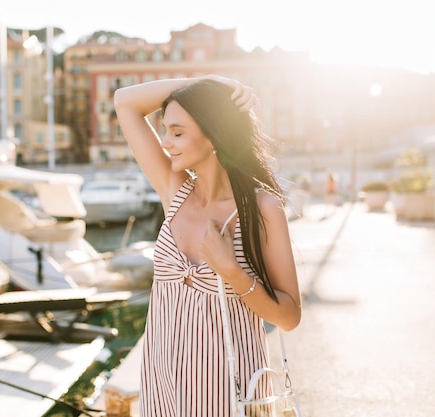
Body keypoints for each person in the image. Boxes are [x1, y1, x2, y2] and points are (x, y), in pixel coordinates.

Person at [113, 75, 302, 416]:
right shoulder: (174, 190)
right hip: (162, 379)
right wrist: (210, 82)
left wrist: (232, 271)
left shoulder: (262, 208)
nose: (166, 142)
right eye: (166, 130)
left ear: (214, 134)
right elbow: (125, 102)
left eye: (178, 132)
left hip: (230, 384)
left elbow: (289, 316)